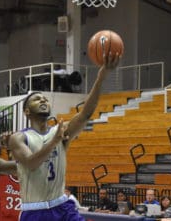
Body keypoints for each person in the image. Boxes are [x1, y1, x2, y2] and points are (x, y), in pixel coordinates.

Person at [9, 53, 120, 221]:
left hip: (62, 207)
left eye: (45, 98)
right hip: (35, 211)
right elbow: (31, 163)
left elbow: (85, 114)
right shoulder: (19, 138)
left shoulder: (59, 131)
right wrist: (54, 142)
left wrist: (100, 78)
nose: (43, 100)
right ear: (26, 111)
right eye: (37, 99)